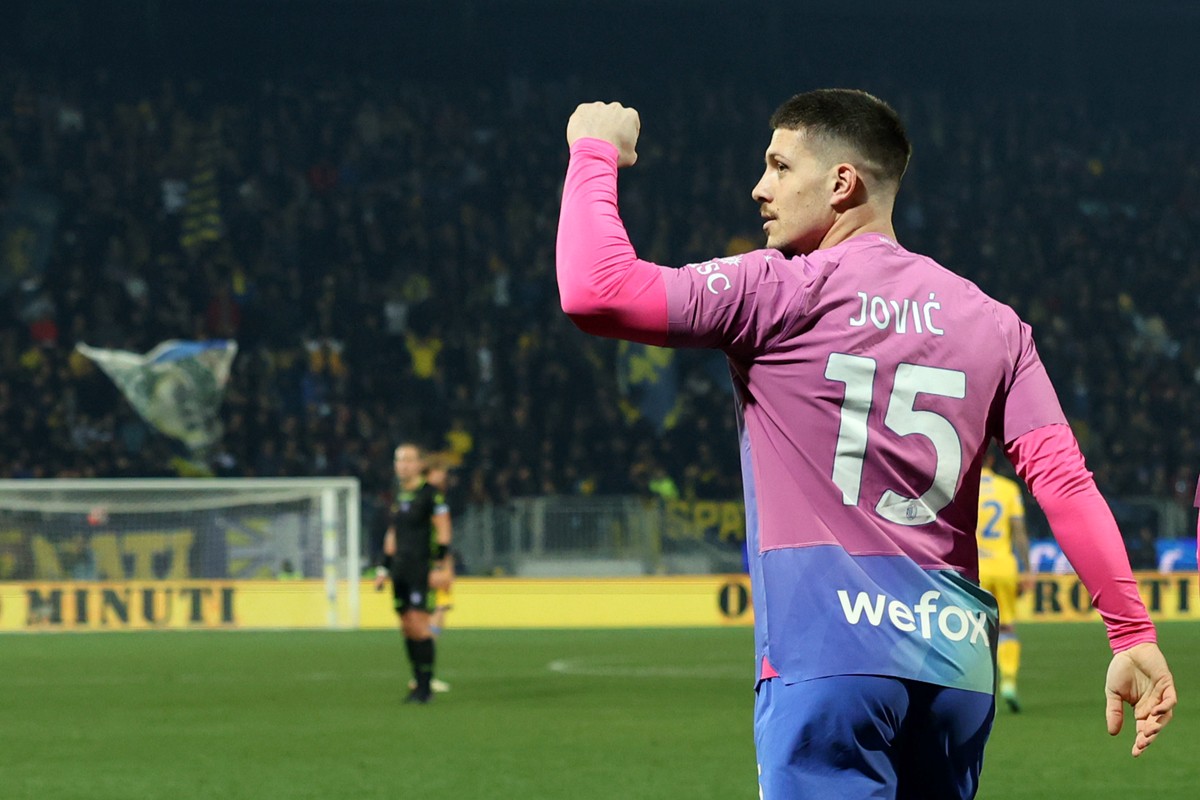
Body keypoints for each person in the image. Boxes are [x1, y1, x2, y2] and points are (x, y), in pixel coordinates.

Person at [556, 91, 1176, 799]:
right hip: (954, 669)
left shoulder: (777, 290)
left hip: (829, 657)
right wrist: (1131, 634)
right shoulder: (994, 323)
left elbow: (595, 292)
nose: (760, 188)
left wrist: (594, 152)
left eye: (780, 166)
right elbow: (1064, 482)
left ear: (841, 183)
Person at [373, 442, 453, 704]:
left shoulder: (431, 495)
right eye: (398, 460)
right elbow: (393, 534)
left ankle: (426, 686)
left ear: (420, 464)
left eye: (408, 460)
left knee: (420, 626)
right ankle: (417, 682)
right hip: (401, 569)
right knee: (406, 626)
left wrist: (440, 566)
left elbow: (443, 529)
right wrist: (384, 567)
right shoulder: (398, 495)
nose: (402, 465)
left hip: (421, 568)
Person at [975, 449, 1032, 711]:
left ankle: (980, 687)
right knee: (1007, 627)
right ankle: (1008, 682)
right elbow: (1019, 532)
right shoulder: (1008, 489)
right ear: (993, 460)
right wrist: (1027, 568)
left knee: (974, 630)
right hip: (1004, 566)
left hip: (975, 567)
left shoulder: (966, 488)